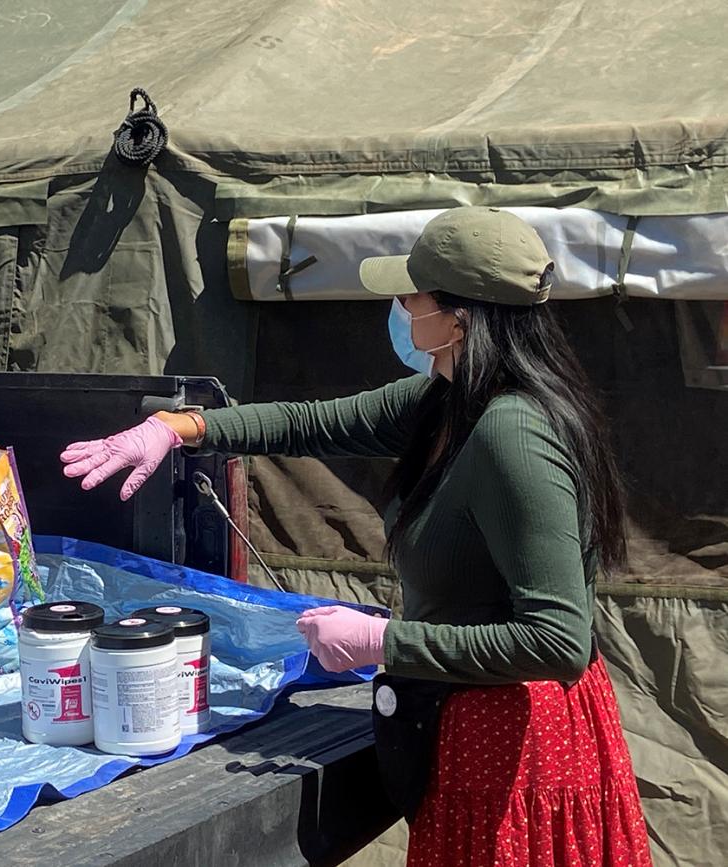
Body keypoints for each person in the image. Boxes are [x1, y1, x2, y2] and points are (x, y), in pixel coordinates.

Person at [61, 207, 652, 866]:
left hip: (519, 742)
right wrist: (178, 428)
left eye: (411, 294)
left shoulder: (512, 433)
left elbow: (556, 640)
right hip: (470, 718)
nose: (399, 306)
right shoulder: (447, 399)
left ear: (458, 316)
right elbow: (311, 422)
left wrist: (381, 641)